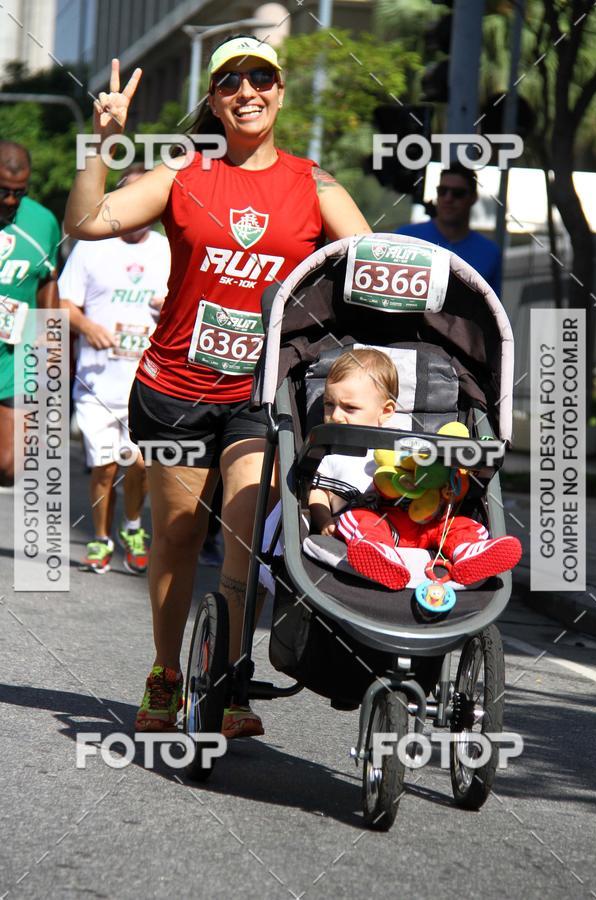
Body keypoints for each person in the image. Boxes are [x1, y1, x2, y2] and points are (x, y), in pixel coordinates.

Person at [64, 37, 371, 737]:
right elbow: (88, 219)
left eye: (260, 76)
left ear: (281, 90)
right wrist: (102, 142)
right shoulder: (183, 173)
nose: (246, 90)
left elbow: (372, 264)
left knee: (242, 534)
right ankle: (167, 673)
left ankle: (231, 684)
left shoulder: (313, 184)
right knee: (175, 537)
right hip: (175, 390)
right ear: (214, 98)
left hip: (261, 396)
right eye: (229, 80)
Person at [309, 349, 521, 589]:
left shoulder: (404, 448)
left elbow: (429, 474)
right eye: (329, 404)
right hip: (379, 523)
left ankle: (469, 552)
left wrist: (446, 485)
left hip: (425, 523)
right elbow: (318, 494)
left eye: (349, 408)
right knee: (359, 519)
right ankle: (379, 556)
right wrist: (324, 520)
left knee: (460, 525)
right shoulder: (332, 455)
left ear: (386, 411)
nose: (335, 415)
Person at [59, 165, 170, 574]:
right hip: (96, 381)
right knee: (105, 466)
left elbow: (190, 302)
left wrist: (170, 305)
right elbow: (64, 304)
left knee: (138, 462)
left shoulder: (167, 248)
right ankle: (101, 538)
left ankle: (134, 526)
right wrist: (88, 327)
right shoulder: (91, 246)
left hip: (147, 379)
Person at [0, 141, 60, 485]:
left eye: (19, 192)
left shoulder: (42, 222)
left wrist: (50, 336)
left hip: (13, 356)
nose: (10, 200)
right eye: (3, 191)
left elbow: (48, 279)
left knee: (11, 466)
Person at [396, 163, 502, 297]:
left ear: (473, 198)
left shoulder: (490, 252)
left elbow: (492, 311)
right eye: (442, 191)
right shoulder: (405, 238)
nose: (448, 198)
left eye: (457, 193)